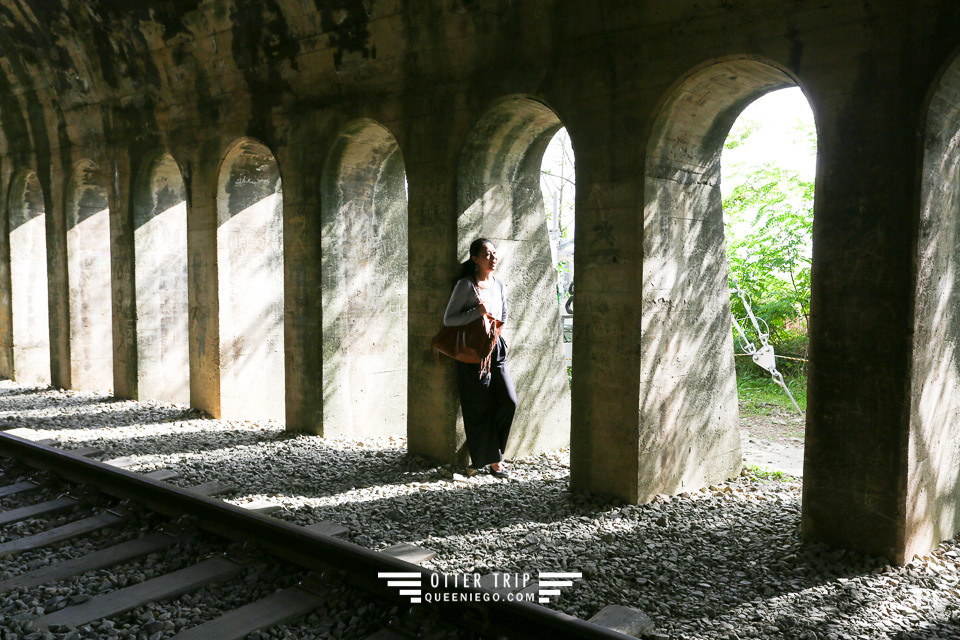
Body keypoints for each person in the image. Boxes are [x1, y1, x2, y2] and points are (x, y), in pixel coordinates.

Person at [443, 238, 517, 478]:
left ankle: (493, 453)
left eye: (494, 253)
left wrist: (496, 332)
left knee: (508, 401)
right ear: (475, 259)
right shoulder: (465, 285)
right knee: (478, 407)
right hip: (472, 353)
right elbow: (449, 319)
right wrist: (476, 312)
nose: (493, 258)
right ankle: (493, 461)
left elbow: (504, 312)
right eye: (487, 254)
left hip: (495, 349)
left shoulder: (498, 284)